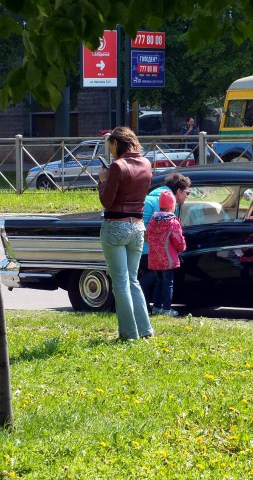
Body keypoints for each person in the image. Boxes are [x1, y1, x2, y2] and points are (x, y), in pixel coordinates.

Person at [98, 126, 153, 341]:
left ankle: (129, 334)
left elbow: (107, 200)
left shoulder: (117, 167)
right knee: (133, 280)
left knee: (120, 282)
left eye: (109, 145)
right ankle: (145, 329)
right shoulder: (147, 164)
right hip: (138, 226)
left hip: (115, 225)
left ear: (116, 143)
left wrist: (102, 180)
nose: (109, 149)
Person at [140, 172, 192, 307]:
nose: (187, 196)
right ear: (179, 191)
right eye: (187, 193)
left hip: (147, 250)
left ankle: (154, 307)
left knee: (158, 279)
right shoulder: (162, 203)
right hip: (147, 252)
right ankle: (154, 305)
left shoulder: (158, 198)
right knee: (160, 279)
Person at [145, 190, 186, 316]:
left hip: (154, 258)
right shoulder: (173, 222)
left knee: (158, 282)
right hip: (168, 258)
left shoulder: (153, 221)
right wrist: (182, 248)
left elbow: (147, 237)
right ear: (171, 206)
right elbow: (178, 240)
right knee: (168, 283)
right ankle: (167, 309)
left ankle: (156, 307)